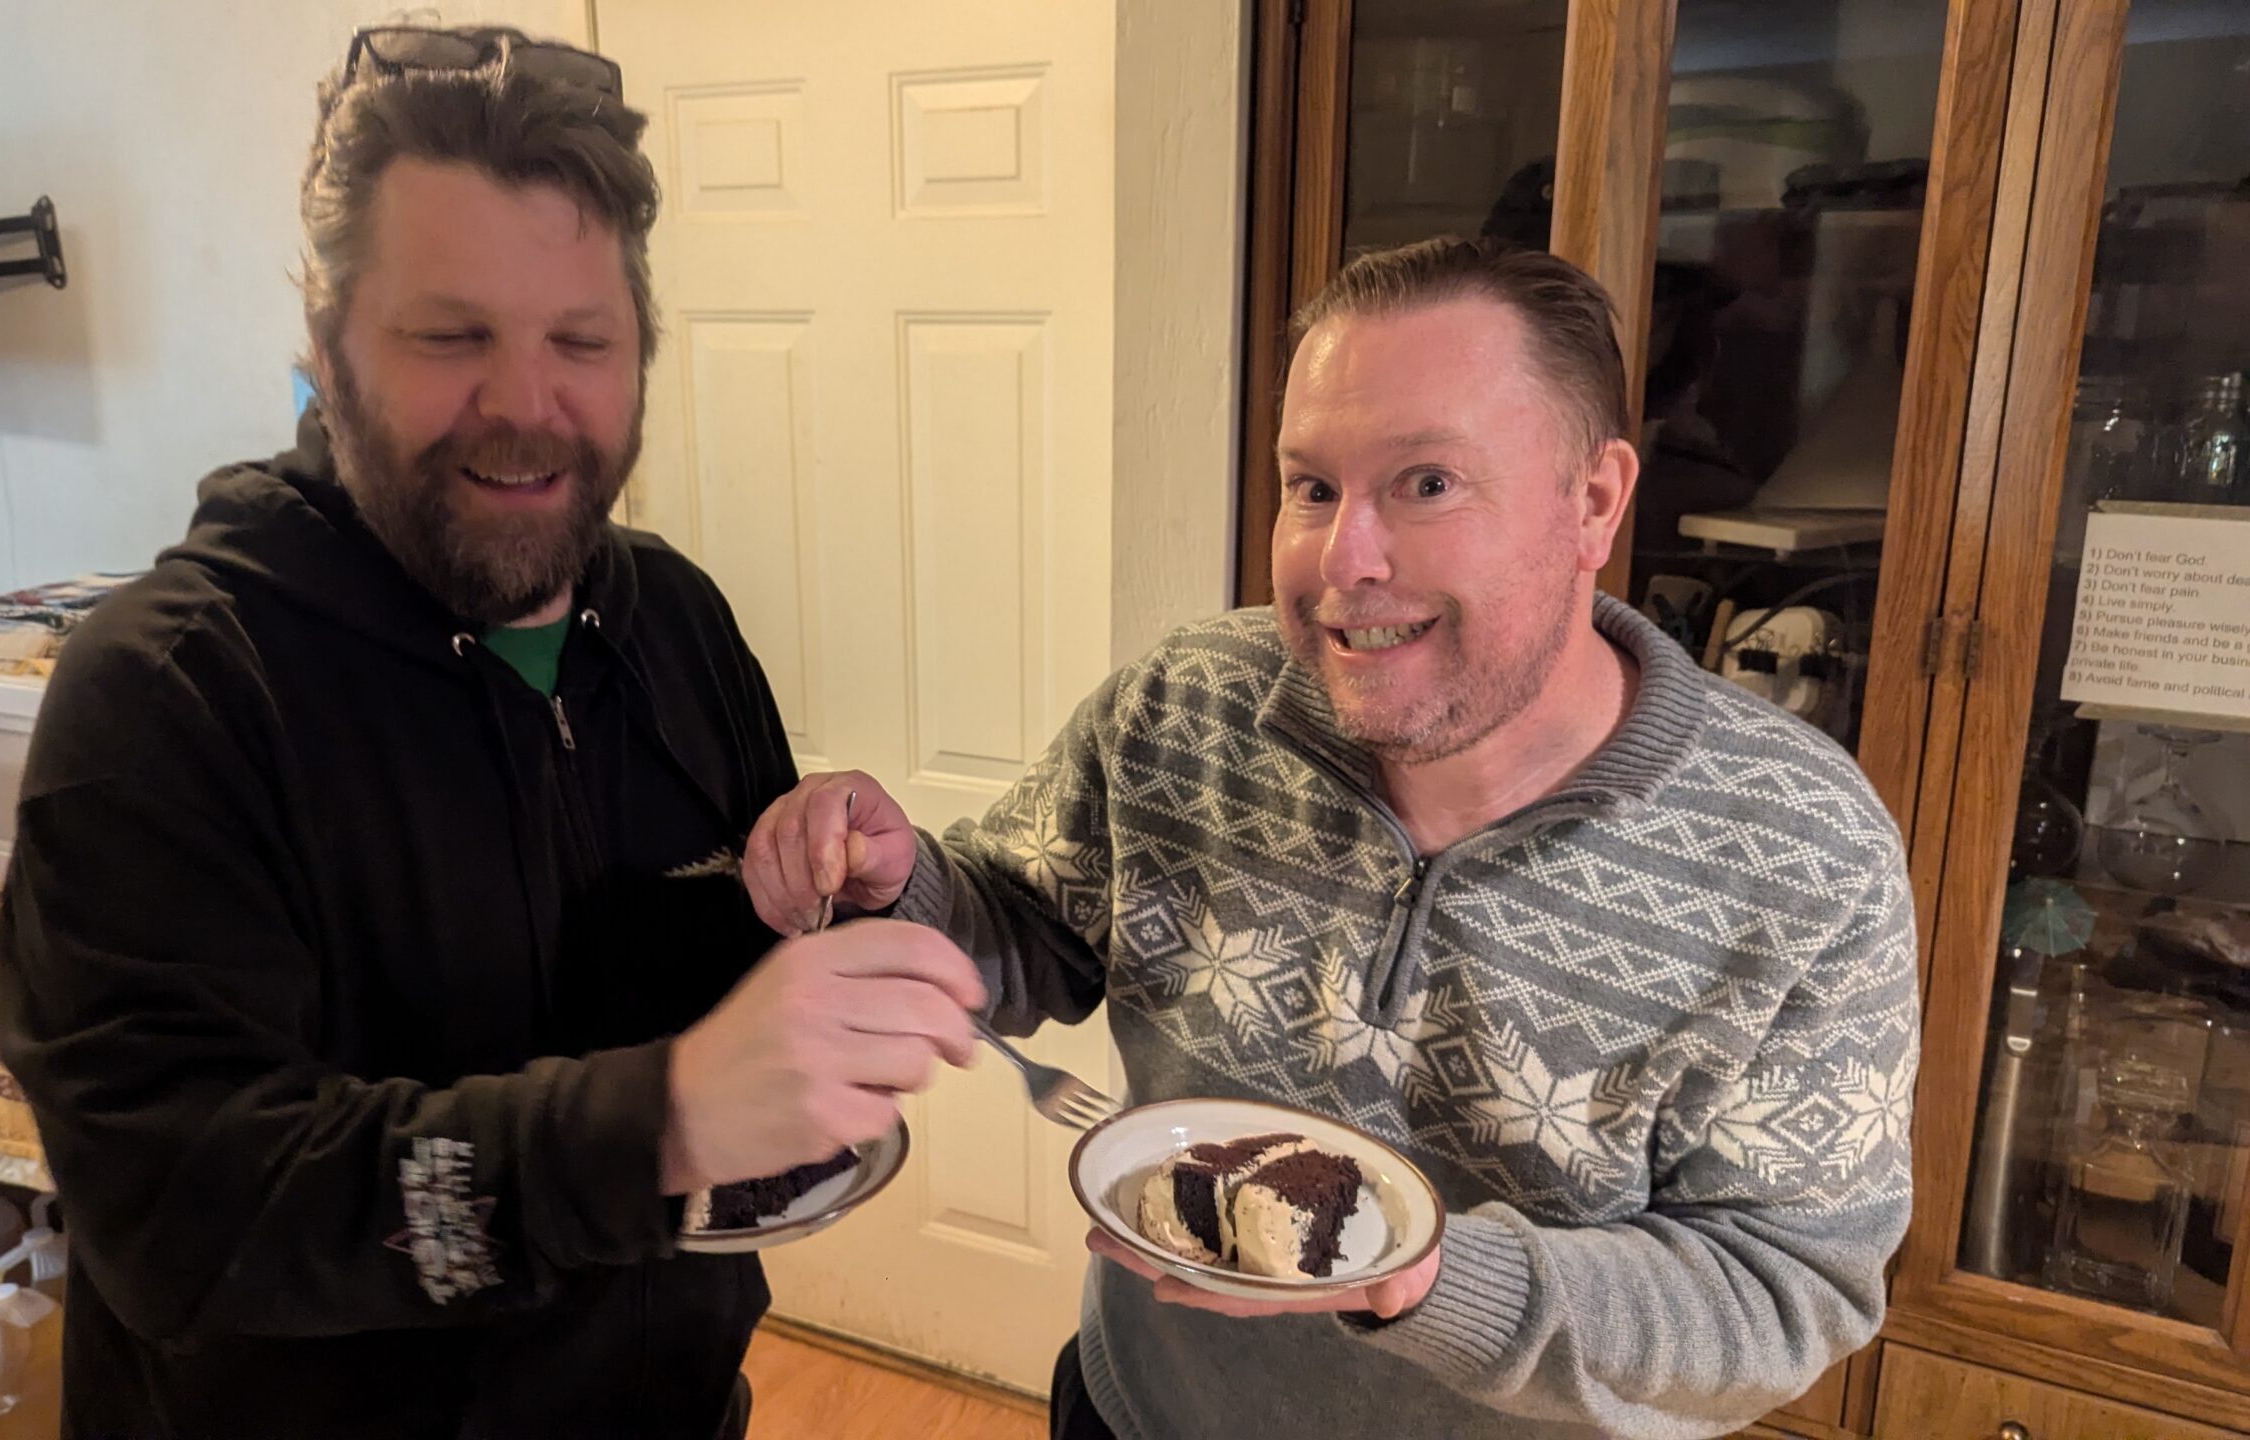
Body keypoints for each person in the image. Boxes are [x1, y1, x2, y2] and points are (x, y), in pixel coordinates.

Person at [744, 237, 1920, 1440]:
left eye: (1427, 483)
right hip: (1140, 1410)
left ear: (1593, 502)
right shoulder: (1189, 704)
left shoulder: (1806, 854)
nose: (1341, 561)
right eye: (1310, 488)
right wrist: (901, 886)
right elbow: (1026, 924)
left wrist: (1425, 1277)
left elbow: (1785, 1289)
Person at [0, 27, 981, 1440]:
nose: (524, 405)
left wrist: (799, 898)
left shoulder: (675, 621)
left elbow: (663, 986)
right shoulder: (169, 696)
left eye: (581, 340)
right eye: (451, 336)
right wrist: (658, 1125)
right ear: (327, 345)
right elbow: (183, 1218)